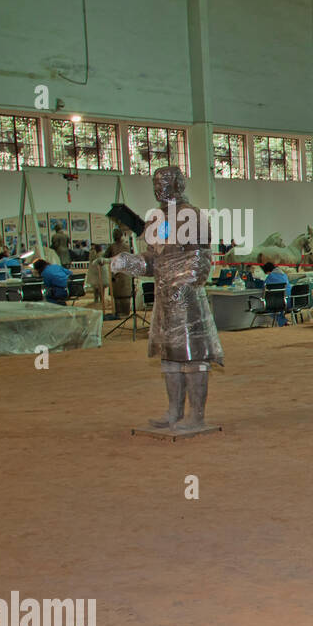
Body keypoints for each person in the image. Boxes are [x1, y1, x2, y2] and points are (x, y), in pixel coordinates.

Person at [109, 166, 224, 432]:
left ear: (178, 185)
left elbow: (200, 258)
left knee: (194, 358)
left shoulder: (192, 216)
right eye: (155, 183)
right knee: (170, 357)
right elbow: (154, 261)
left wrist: (184, 284)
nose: (159, 188)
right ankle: (173, 412)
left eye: (164, 182)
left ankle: (196, 415)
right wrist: (129, 262)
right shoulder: (156, 220)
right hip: (164, 298)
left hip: (186, 296)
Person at [261, 261, 291, 325]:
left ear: (268, 271)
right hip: (290, 301)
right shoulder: (284, 275)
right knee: (278, 307)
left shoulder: (270, 277)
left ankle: (283, 322)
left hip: (280, 303)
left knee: (270, 308)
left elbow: (264, 287)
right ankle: (283, 321)